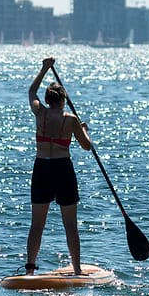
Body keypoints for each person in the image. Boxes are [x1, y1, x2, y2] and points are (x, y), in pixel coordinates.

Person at [25, 58, 92, 275]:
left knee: (37, 224)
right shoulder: (71, 119)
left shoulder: (40, 113)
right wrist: (84, 129)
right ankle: (77, 269)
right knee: (70, 224)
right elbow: (86, 146)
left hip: (42, 168)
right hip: (63, 169)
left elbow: (31, 91)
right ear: (63, 101)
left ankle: (30, 269)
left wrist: (44, 68)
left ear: (47, 99)